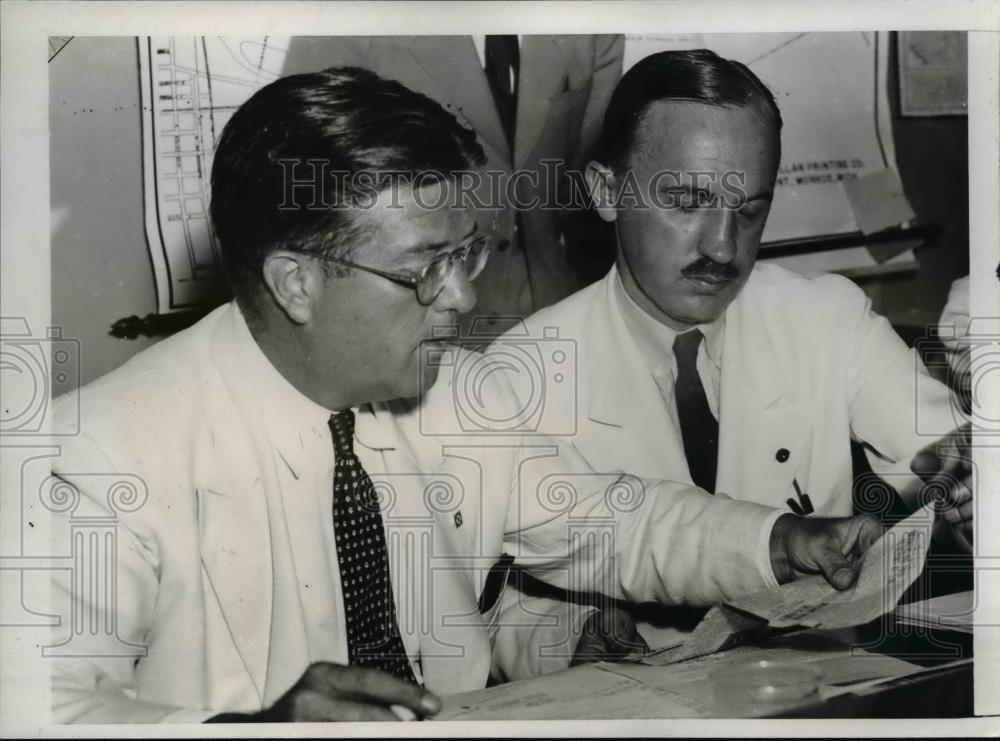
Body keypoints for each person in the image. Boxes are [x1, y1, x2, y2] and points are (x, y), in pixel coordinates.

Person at [48, 65, 884, 723]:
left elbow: (614, 520)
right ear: (294, 282)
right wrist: (252, 729)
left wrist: (780, 540)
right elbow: (40, 706)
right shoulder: (98, 452)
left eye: (468, 255)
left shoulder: (454, 393)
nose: (461, 300)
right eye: (424, 270)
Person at [487, 48, 974, 654]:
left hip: (815, 689)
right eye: (688, 203)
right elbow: (495, 605)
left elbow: (948, 450)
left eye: (749, 211)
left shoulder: (825, 318)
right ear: (606, 191)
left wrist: (970, 480)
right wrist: (572, 636)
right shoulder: (520, 373)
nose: (722, 247)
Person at [282, 35, 624, 331]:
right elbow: (302, 192)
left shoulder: (592, 20)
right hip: (420, 319)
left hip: (560, 309)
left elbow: (593, 192)